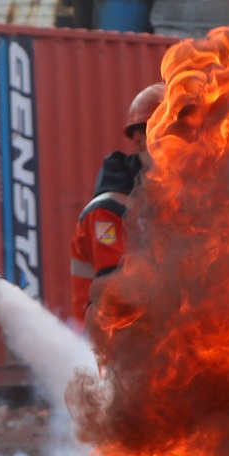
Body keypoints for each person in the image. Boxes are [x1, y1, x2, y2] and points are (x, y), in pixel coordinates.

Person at [70, 82, 162, 335]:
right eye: (168, 135)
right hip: (109, 346)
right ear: (140, 140)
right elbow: (118, 293)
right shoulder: (109, 208)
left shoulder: (177, 200)